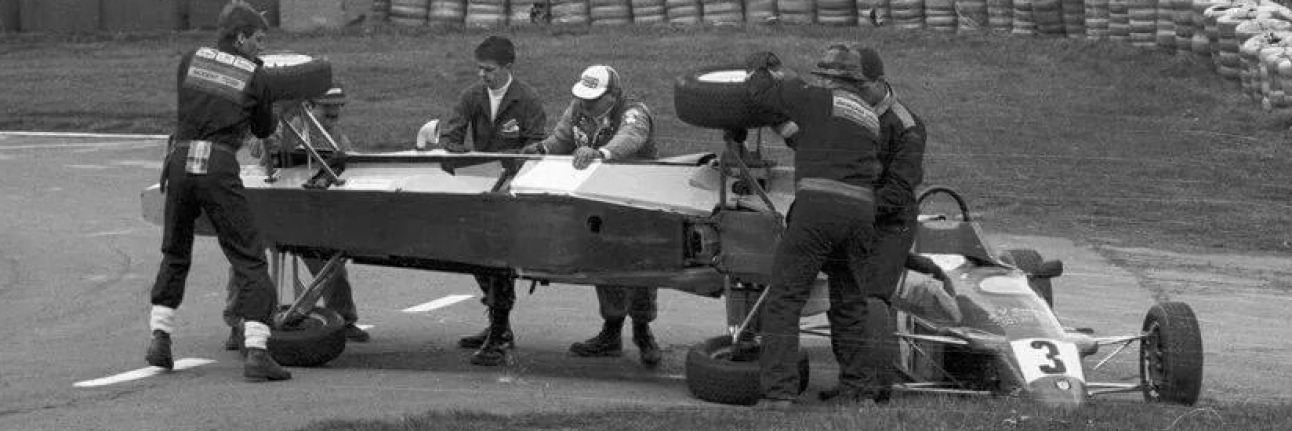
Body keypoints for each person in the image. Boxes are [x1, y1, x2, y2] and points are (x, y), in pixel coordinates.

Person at [147, 1, 290, 382]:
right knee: (249, 257)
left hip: (178, 162)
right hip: (219, 164)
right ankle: (258, 351)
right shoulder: (255, 76)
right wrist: (271, 110)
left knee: (175, 252)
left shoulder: (190, 59)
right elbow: (261, 129)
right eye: (258, 39)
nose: (260, 47)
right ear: (241, 37)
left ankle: (160, 337)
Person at [741, 45, 886, 409]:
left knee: (785, 297)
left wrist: (761, 67)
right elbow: (817, 141)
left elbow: (761, 94)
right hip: (860, 215)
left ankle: (779, 394)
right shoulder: (869, 116)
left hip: (819, 209)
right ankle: (859, 391)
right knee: (850, 302)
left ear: (826, 78)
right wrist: (786, 128)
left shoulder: (818, 98)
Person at [521, 65, 663, 366]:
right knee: (603, 261)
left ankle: (643, 332)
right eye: (582, 96)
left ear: (612, 96)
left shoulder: (634, 111)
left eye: (593, 98)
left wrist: (601, 154)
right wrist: (541, 149)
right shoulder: (577, 109)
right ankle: (611, 333)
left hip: (641, 201)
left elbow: (632, 137)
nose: (585, 102)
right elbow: (560, 139)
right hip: (599, 200)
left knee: (643, 267)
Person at [815, 47, 930, 405]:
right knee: (842, 301)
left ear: (879, 82)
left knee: (870, 299)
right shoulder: (842, 110)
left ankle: (878, 385)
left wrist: (849, 207)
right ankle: (851, 380)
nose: (849, 92)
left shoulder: (907, 126)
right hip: (851, 214)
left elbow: (897, 190)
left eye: (857, 85)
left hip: (889, 224)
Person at [221, 85, 370, 351]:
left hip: (306, 208)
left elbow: (349, 164)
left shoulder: (335, 136)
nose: (334, 111)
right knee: (247, 262)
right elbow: (258, 148)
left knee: (328, 262)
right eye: (328, 106)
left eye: (338, 106)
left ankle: (343, 318)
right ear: (310, 107)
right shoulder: (287, 125)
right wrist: (277, 128)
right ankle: (237, 324)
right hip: (271, 203)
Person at [428, 35, 547, 366]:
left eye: (489, 70)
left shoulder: (528, 100)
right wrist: (459, 150)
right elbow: (451, 133)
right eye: (479, 69)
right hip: (479, 185)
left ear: (508, 68)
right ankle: (499, 326)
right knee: (476, 255)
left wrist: (509, 162)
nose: (483, 75)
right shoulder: (472, 95)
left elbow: (536, 144)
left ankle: (498, 333)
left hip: (512, 188)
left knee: (498, 258)